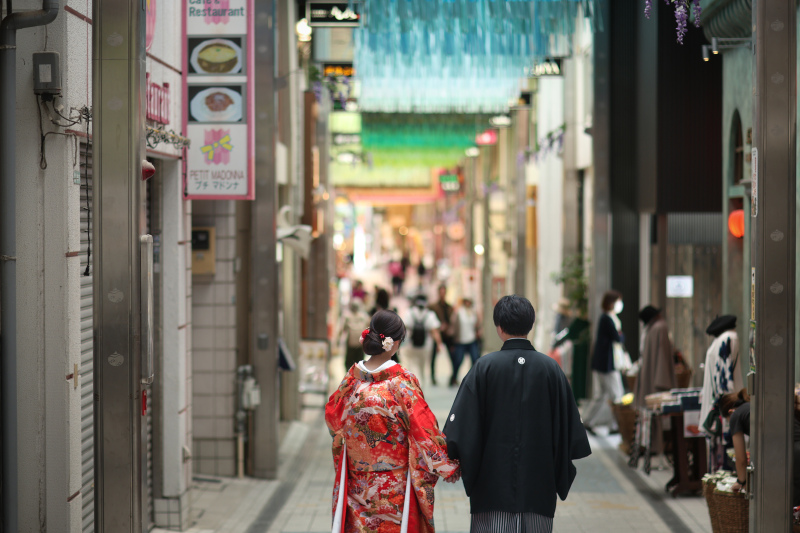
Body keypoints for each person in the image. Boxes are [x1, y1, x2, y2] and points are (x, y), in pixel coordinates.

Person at [444, 295, 591, 533]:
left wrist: (452, 458)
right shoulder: (551, 369)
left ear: (499, 327)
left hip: (491, 485)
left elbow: (462, 424)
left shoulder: (484, 367)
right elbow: (569, 428)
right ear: (530, 326)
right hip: (539, 483)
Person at [325, 310, 461, 532]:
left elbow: (333, 421)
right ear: (395, 342)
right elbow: (424, 432)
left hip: (357, 484)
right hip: (393, 488)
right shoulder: (402, 384)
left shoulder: (350, 381)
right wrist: (448, 466)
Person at [582, 290, 626, 434]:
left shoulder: (606, 318)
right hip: (608, 365)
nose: (620, 304)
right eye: (618, 301)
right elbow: (617, 338)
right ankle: (615, 425)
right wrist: (620, 334)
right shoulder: (607, 319)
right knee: (617, 394)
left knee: (602, 395)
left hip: (603, 363)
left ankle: (588, 421)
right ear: (612, 302)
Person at [634, 305, 675, 457]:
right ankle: (657, 447)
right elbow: (663, 356)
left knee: (648, 415)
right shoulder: (661, 328)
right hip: (656, 378)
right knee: (656, 416)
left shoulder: (651, 330)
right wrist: (664, 381)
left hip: (648, 376)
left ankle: (649, 445)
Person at [403, 295, 443, 387]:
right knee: (423, 367)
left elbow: (405, 328)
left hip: (411, 345)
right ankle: (421, 387)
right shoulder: (430, 314)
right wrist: (439, 344)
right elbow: (435, 331)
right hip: (426, 346)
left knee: (411, 366)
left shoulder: (409, 313)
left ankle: (412, 387)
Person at [429, 284, 455, 385]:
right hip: (438, 334)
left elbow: (452, 320)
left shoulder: (449, 307)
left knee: (452, 356)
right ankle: (433, 377)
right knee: (433, 356)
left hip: (447, 335)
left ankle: (453, 376)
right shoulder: (433, 307)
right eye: (441, 292)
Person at [451, 297, 481, 385]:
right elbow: (454, 324)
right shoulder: (459, 312)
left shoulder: (473, 312)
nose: (468, 303)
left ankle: (472, 378)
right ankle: (454, 377)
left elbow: (477, 324)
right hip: (461, 341)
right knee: (458, 360)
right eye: (466, 302)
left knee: (475, 359)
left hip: (472, 340)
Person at [339, 301, 370, 372]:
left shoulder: (347, 316)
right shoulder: (363, 316)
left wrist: (338, 340)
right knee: (360, 360)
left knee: (349, 361)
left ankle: (349, 374)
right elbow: (369, 327)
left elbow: (342, 329)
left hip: (351, 342)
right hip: (360, 343)